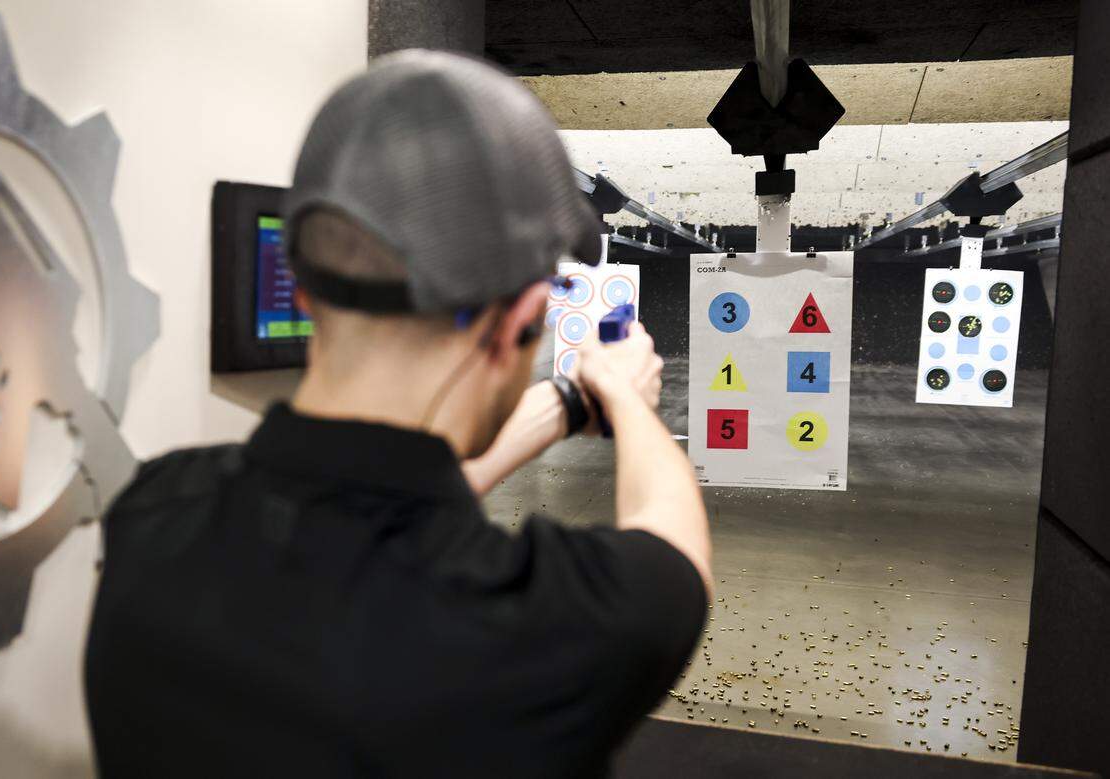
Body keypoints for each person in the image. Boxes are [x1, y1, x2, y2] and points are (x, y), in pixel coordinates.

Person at [85, 50, 711, 778]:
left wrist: (574, 401)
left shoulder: (151, 513)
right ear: (519, 323)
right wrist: (630, 403)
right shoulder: (552, 625)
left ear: (307, 289)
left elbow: (377, 500)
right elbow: (676, 547)